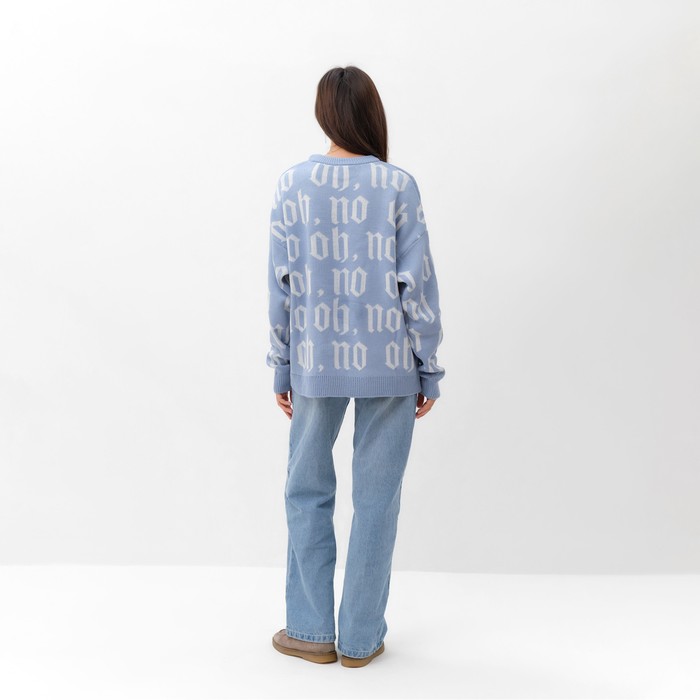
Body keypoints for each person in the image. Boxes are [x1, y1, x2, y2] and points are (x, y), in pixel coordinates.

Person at [265, 65, 445, 668]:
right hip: (390, 365)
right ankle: (361, 640)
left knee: (306, 492)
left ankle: (311, 632)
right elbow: (417, 284)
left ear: (324, 113)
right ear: (371, 111)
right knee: (377, 501)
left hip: (315, 361)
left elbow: (282, 287)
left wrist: (282, 365)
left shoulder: (293, 185)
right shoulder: (398, 186)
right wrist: (428, 366)